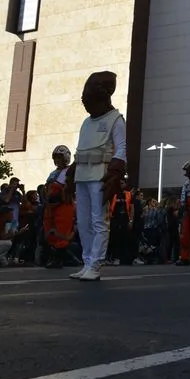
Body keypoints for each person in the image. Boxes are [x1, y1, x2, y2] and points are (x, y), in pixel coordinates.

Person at [66, 71, 127, 282]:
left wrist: (115, 173)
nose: (85, 101)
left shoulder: (116, 120)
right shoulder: (86, 122)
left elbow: (121, 149)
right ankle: (86, 262)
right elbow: (81, 149)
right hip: (82, 175)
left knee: (99, 221)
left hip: (100, 175)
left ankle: (95, 264)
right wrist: (72, 171)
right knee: (83, 222)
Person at [43, 145, 75, 269]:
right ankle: (53, 256)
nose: (57, 160)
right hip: (50, 206)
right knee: (49, 231)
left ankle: (58, 258)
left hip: (63, 205)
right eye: (55, 157)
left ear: (65, 158)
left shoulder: (69, 171)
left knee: (61, 231)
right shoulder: (53, 173)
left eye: (59, 157)